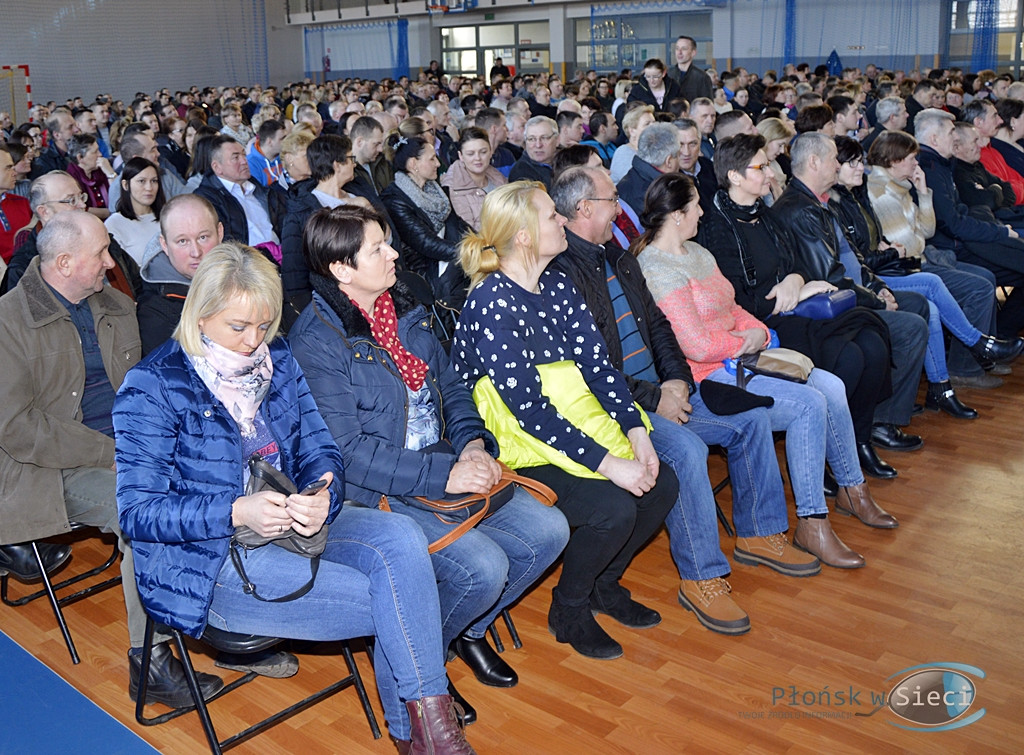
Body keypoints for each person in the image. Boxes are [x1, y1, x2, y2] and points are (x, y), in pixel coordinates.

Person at [113, 242, 476, 753]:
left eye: (263, 326)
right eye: (237, 327)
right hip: (212, 558)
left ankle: (423, 736)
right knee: (402, 600)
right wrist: (237, 509)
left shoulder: (276, 357)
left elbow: (321, 448)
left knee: (400, 537)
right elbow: (138, 513)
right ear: (199, 314)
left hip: (294, 521)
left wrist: (324, 490)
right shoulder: (153, 385)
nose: (252, 341)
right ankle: (427, 737)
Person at [289, 205, 568, 707]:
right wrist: (449, 471)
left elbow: (454, 385)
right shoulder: (317, 342)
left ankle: (467, 631)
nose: (394, 253)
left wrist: (473, 443)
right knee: (481, 569)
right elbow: (350, 453)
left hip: (442, 461)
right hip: (379, 489)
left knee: (550, 532)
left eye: (388, 242)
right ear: (341, 269)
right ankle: (422, 665)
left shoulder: (404, 305)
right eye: (378, 249)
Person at [0, 211, 231, 708]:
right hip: (50, 468)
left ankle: (232, 617)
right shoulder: (7, 323)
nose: (111, 262)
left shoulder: (114, 304)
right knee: (145, 517)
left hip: (129, 449)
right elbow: (17, 430)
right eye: (100, 254)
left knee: (222, 477)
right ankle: (152, 662)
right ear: (63, 263)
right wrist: (113, 453)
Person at [452, 181, 679, 660]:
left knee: (662, 484)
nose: (562, 221)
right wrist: (609, 464)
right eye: (552, 215)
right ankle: (569, 608)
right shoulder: (492, 301)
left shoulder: (557, 283)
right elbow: (528, 412)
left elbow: (599, 370)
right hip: (513, 442)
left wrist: (637, 433)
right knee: (611, 508)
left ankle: (602, 585)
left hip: (566, 421)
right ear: (526, 237)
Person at [636, 172, 897, 558]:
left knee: (831, 385)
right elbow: (695, 344)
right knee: (810, 405)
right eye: (696, 206)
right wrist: (746, 342)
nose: (703, 212)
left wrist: (761, 333)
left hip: (742, 358)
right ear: (677, 214)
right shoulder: (656, 267)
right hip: (710, 376)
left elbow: (734, 306)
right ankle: (812, 522)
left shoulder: (698, 254)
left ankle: (852, 489)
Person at [699, 134, 900, 479]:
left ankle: (859, 441)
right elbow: (734, 300)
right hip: (763, 324)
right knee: (850, 358)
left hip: (795, 309)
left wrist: (794, 281)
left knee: (873, 343)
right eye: (761, 167)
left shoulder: (766, 215)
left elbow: (799, 265)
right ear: (734, 176)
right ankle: (823, 456)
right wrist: (785, 293)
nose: (770, 174)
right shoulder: (717, 229)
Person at [770, 133, 930, 458]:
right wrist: (875, 299)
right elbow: (831, 277)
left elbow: (854, 260)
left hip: (853, 295)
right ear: (814, 162)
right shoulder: (801, 210)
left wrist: (878, 287)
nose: (838, 164)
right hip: (832, 307)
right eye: (833, 158)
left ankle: (884, 412)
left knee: (917, 304)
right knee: (909, 326)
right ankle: (880, 421)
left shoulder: (819, 201)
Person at [837, 135, 1022, 413]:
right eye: (912, 158)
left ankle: (943, 386)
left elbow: (926, 231)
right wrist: (900, 247)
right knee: (963, 286)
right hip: (892, 270)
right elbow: (907, 246)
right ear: (895, 160)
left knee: (971, 286)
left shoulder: (896, 187)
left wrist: (923, 193)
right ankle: (975, 351)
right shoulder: (879, 191)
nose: (917, 163)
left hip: (906, 263)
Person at [280, 134, 373, 328]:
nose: (355, 164)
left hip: (373, 295)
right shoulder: (300, 212)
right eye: (350, 159)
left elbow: (388, 240)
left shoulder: (359, 196)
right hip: (331, 309)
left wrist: (367, 208)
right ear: (336, 164)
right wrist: (312, 319)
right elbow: (295, 276)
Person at [381, 133, 471, 307]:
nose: (438, 163)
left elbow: (458, 224)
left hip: (449, 256)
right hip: (426, 270)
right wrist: (471, 252)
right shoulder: (395, 201)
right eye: (432, 159)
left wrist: (483, 242)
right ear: (413, 164)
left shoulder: (435, 190)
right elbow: (426, 244)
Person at [136, 194, 225, 354]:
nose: (196, 252)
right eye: (182, 241)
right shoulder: (154, 313)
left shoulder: (243, 277)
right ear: (164, 244)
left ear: (220, 233)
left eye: (203, 237)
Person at [441, 127, 507, 231]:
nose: (477, 158)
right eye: (470, 154)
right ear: (461, 156)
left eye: (483, 152)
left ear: (490, 152)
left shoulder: (499, 178)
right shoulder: (453, 188)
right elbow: (468, 234)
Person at [104, 157, 164, 265]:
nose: (149, 187)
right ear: (125, 185)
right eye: (142, 181)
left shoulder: (168, 217)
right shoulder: (114, 224)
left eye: (154, 181)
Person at [66, 134, 111, 217]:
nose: (100, 154)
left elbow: (119, 197)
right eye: (95, 152)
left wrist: (110, 173)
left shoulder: (101, 170)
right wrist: (111, 213)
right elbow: (81, 210)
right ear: (80, 158)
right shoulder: (70, 179)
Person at [609, 104, 656, 184]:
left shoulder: (653, 151)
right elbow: (636, 183)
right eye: (647, 124)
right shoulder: (623, 153)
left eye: (654, 123)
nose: (654, 127)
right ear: (632, 131)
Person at [508, 116, 559, 187]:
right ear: (525, 142)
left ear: (557, 140)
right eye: (531, 139)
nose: (538, 145)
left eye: (544, 138)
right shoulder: (521, 173)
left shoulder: (568, 160)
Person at [667, 36, 713, 103]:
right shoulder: (668, 74)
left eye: (684, 49)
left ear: (693, 53)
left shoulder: (702, 77)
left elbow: (707, 104)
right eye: (677, 48)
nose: (679, 52)